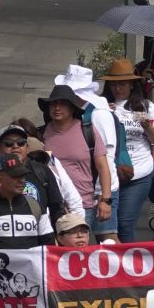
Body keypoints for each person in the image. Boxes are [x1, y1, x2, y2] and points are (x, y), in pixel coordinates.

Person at [98, 58, 154, 243]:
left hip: (139, 173)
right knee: (105, 226)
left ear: (132, 84)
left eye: (123, 84)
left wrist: (144, 123)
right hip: (108, 175)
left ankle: (128, 260)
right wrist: (102, 112)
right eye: (114, 84)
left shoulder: (144, 107)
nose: (118, 88)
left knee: (125, 224)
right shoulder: (101, 105)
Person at [37, 82, 114, 237]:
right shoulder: (41, 134)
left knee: (78, 247)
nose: (57, 108)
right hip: (51, 205)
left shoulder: (87, 130)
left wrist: (105, 200)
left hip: (82, 204)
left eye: (62, 104)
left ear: (72, 108)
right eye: (53, 104)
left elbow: (103, 166)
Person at [0, 153, 55, 245]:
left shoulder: (37, 207)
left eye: (23, 175)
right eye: (15, 176)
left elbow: (49, 246)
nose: (22, 180)